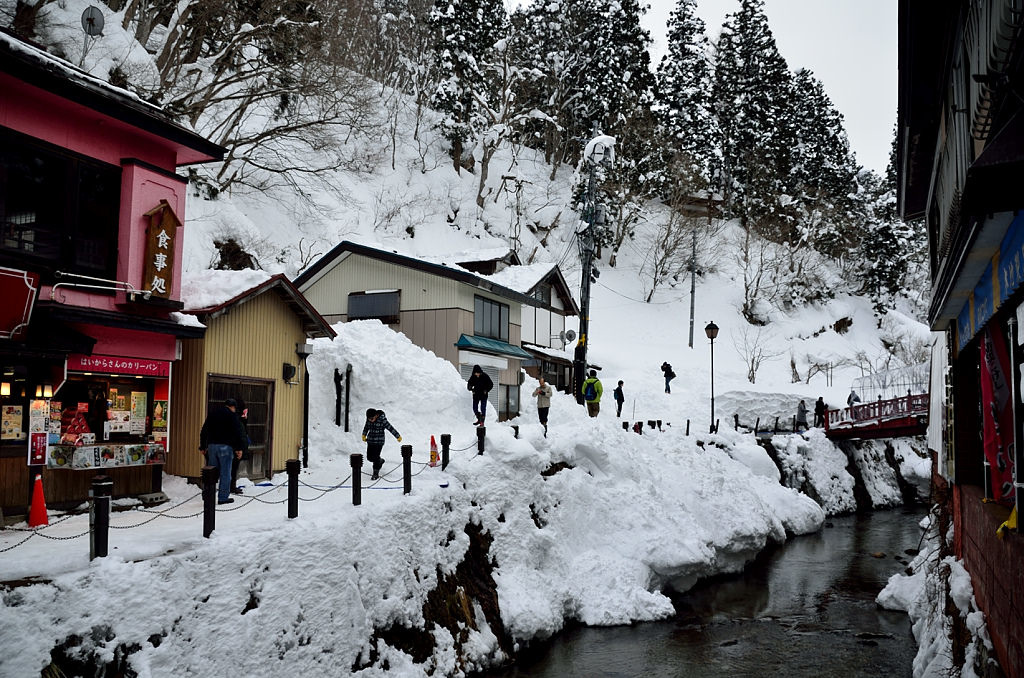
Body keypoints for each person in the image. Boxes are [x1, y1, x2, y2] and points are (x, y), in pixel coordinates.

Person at [199, 398, 247, 505]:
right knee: (225, 473)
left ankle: (208, 495)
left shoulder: (213, 414)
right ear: (232, 407)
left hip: (212, 446)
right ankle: (223, 497)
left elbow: (204, 430)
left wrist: (203, 446)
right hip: (226, 447)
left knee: (211, 472)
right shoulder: (232, 416)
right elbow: (237, 432)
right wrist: (239, 448)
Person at [362, 408, 402, 480]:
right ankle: (380, 461)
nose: (370, 420)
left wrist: (397, 436)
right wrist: (364, 435)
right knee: (369, 457)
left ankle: (375, 473)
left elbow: (390, 428)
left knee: (375, 457)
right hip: (370, 440)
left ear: (376, 415)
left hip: (379, 442)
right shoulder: (369, 419)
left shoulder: (382, 420)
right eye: (369, 419)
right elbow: (366, 427)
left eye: (372, 418)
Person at [230, 398, 251, 495]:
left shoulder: (238, 418)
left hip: (236, 446)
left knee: (234, 468)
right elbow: (240, 434)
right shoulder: (237, 419)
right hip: (235, 447)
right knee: (233, 467)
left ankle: (232, 485)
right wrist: (239, 448)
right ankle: (231, 486)